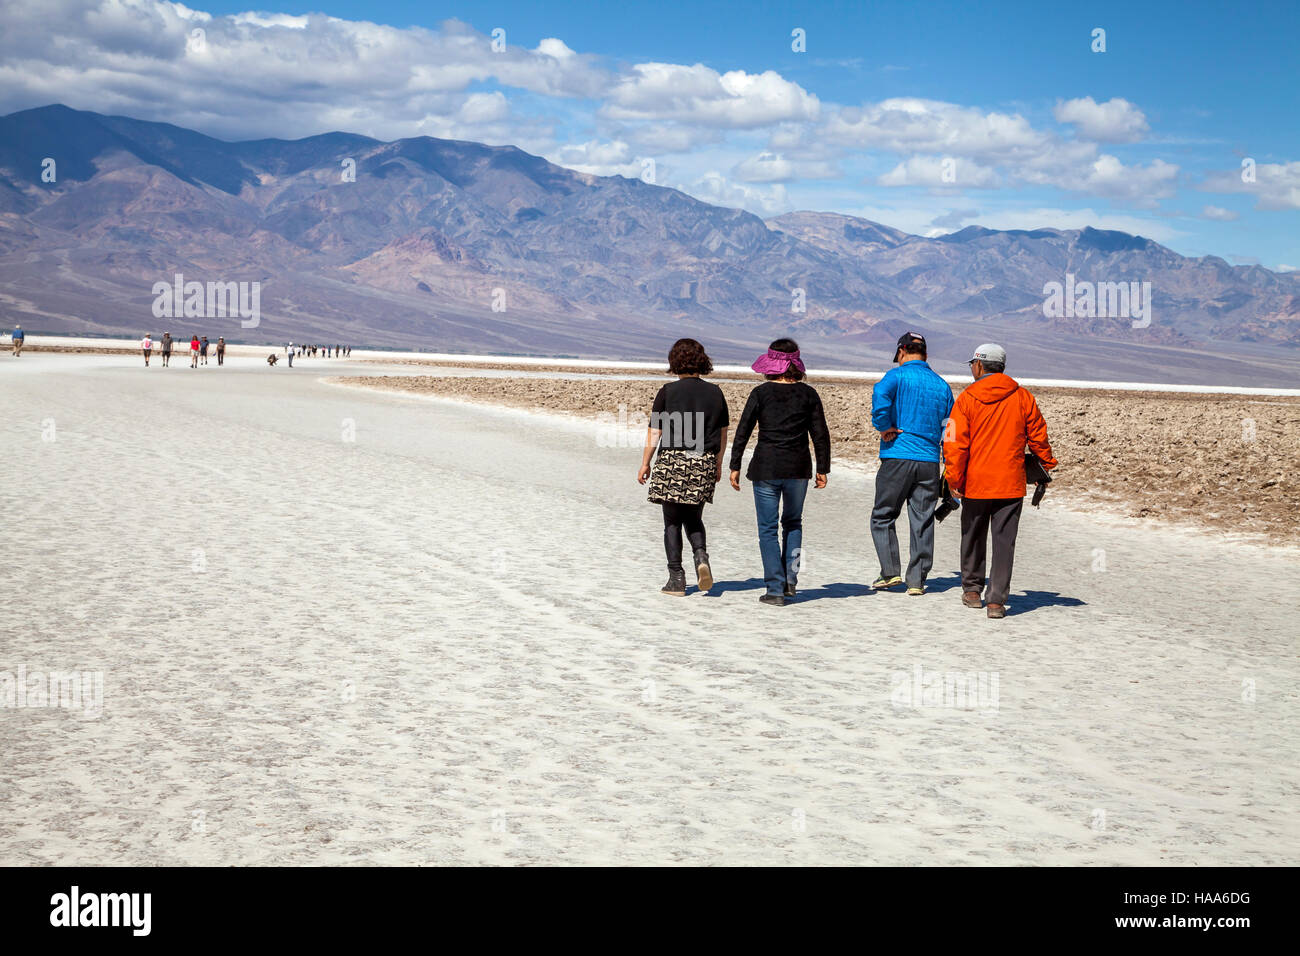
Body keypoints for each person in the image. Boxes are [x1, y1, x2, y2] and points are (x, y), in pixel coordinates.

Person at [944, 344, 1058, 619]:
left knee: (972, 535)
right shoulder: (1022, 397)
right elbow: (1038, 435)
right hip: (1010, 482)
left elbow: (954, 442)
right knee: (1004, 541)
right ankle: (996, 601)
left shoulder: (967, 399)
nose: (972, 368)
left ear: (980, 366)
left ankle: (972, 591)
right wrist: (1047, 463)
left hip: (976, 481)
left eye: (972, 364)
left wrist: (953, 477)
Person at [728, 339, 831, 606]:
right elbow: (820, 436)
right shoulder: (809, 394)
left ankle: (774, 588)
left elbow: (743, 431)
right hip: (798, 469)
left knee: (767, 529)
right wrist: (823, 469)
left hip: (766, 468)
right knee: (793, 524)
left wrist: (735, 465)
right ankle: (790, 582)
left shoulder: (761, 393)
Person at [637, 338, 730, 596]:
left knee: (672, 522)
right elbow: (722, 434)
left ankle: (676, 579)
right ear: (702, 361)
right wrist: (718, 464)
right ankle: (701, 557)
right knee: (694, 517)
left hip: (672, 462)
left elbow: (655, 432)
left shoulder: (668, 391)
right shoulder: (715, 393)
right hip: (704, 461)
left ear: (674, 362)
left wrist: (645, 463)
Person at [869, 332, 955, 595]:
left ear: (901, 352)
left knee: (883, 515)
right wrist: (946, 460)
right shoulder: (941, 385)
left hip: (898, 455)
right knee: (923, 519)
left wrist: (884, 427)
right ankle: (917, 580)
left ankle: (890, 573)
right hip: (929, 462)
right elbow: (950, 428)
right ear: (926, 355)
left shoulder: (895, 376)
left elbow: (879, 399)